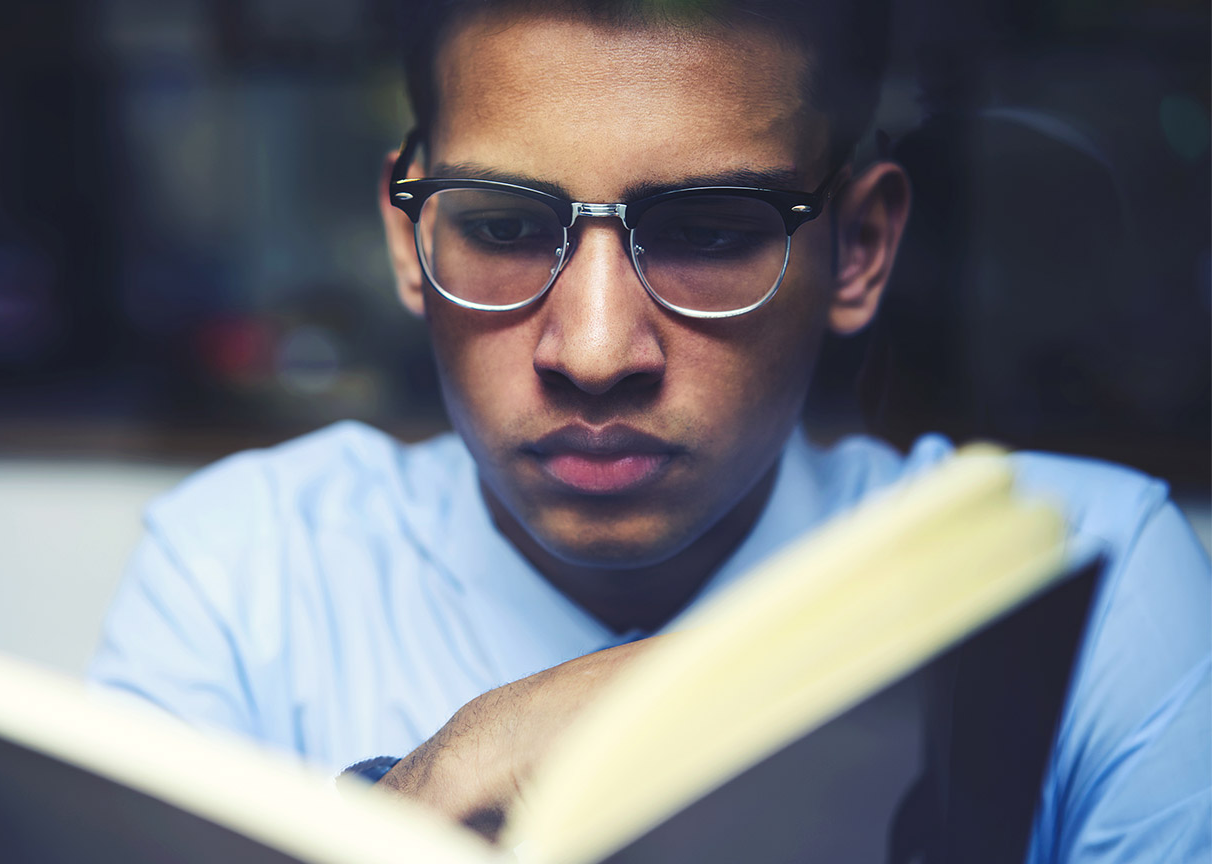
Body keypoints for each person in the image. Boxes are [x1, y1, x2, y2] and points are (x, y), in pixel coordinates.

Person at [89, 1, 1212, 860]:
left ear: (859, 249)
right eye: (500, 224)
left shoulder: (1086, 578)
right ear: (405, 238)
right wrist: (410, 806)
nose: (592, 351)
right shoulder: (243, 574)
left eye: (710, 232)